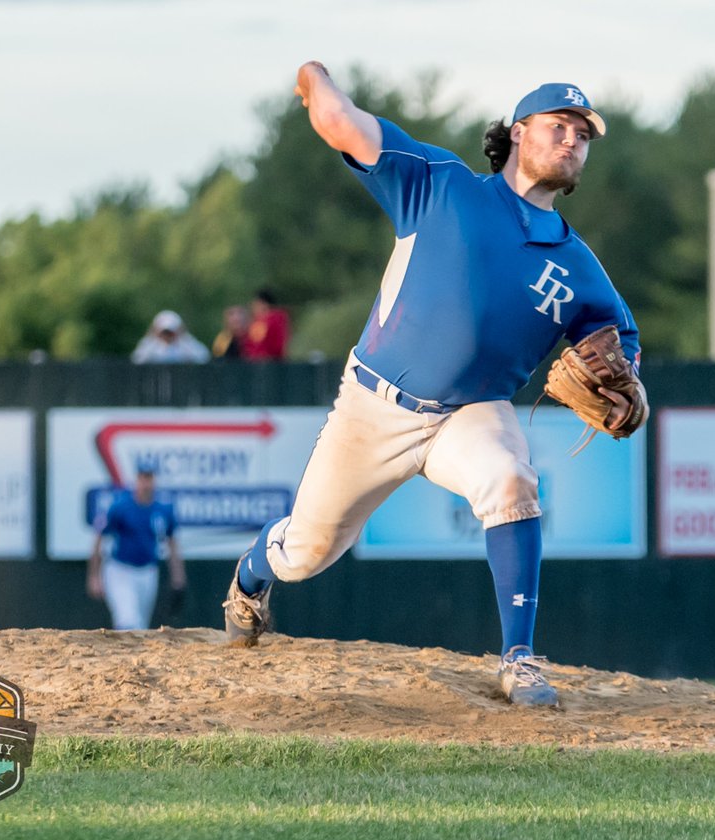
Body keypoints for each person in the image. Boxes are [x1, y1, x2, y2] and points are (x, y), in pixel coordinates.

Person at [221, 62, 641, 707]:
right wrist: (315, 77)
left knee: (510, 481)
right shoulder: (440, 185)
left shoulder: (578, 267)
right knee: (305, 553)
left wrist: (625, 378)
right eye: (559, 126)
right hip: (373, 406)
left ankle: (519, 658)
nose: (572, 141)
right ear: (519, 132)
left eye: (583, 135)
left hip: (472, 413)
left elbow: (622, 341)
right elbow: (340, 123)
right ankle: (252, 575)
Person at [88, 464, 187, 630]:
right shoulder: (120, 507)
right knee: (128, 620)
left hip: (148, 571)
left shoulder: (162, 510)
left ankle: (132, 656)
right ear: (137, 480)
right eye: (142, 478)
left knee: (141, 626)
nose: (146, 483)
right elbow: (99, 538)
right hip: (121, 570)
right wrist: (94, 576)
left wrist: (178, 576)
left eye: (149, 478)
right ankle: (122, 655)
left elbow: (172, 544)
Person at [131, 309, 211, 364]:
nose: (167, 335)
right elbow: (137, 359)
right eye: (164, 332)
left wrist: (184, 337)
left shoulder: (184, 345)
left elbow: (204, 357)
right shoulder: (151, 346)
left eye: (170, 332)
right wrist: (151, 338)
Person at [240, 290, 290, 361]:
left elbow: (258, 346)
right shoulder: (279, 319)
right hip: (273, 362)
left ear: (263, 304)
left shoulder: (265, 322)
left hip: (265, 363)